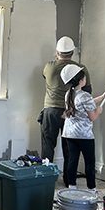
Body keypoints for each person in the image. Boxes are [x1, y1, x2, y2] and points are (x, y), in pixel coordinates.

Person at [39, 36, 92, 186]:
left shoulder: (49, 67)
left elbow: (44, 76)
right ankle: (69, 181)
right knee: (70, 148)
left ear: (57, 52)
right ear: (73, 52)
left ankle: (45, 180)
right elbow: (87, 91)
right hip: (70, 112)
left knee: (47, 146)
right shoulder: (81, 69)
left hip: (50, 111)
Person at [60, 64, 105, 194]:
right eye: (84, 78)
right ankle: (91, 190)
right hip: (84, 136)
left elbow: (82, 104)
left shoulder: (69, 94)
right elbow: (92, 117)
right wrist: (99, 110)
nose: (85, 80)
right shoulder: (85, 96)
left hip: (69, 134)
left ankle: (71, 188)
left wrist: (101, 98)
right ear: (80, 81)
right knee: (90, 162)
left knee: (72, 160)